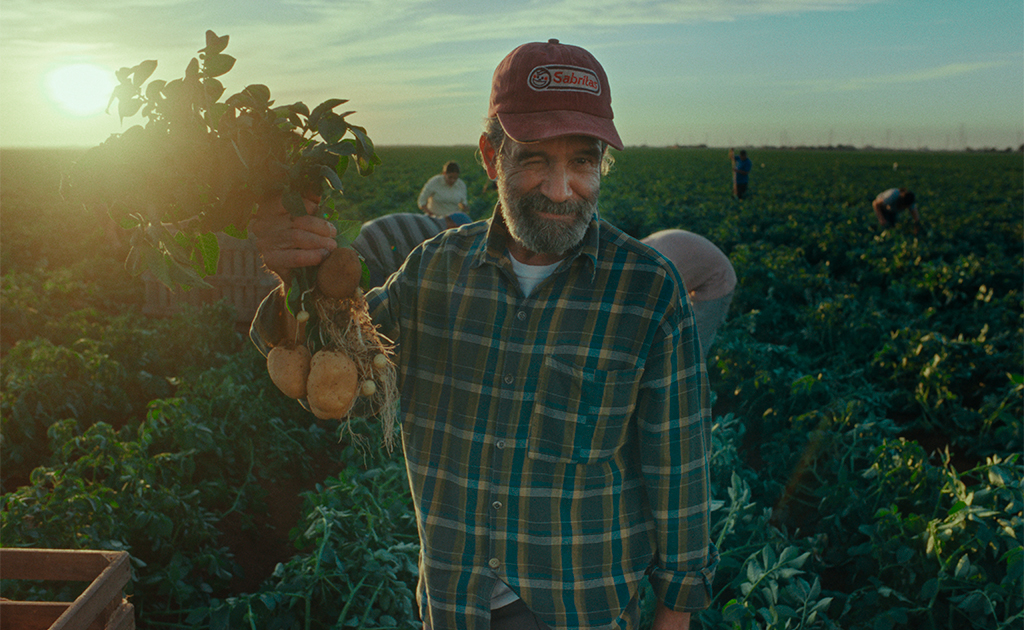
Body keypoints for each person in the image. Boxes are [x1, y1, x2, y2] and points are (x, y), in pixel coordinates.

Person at [249, 39, 717, 630]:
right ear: (490, 157)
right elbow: (345, 370)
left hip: (583, 610)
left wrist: (675, 614)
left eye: (583, 161)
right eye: (534, 160)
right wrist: (298, 276)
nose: (560, 188)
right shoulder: (433, 270)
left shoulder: (647, 293)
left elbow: (680, 468)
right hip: (454, 607)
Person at [641, 230, 736, 363]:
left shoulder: (655, 269)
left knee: (693, 345)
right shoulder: (634, 253)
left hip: (718, 279)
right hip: (692, 271)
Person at [353, 211, 472, 287]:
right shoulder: (436, 236)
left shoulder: (426, 221)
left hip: (357, 239)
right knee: (372, 311)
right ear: (454, 226)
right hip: (369, 253)